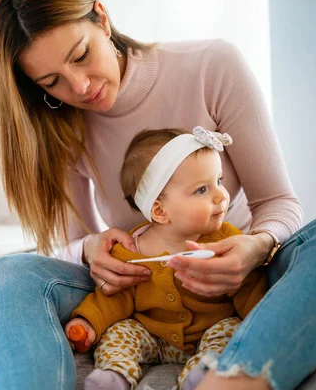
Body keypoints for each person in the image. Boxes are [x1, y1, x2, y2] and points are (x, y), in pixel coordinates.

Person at [0, 0, 316, 389]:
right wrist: (92, 249)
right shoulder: (58, 123)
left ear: (102, 19)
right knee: (11, 274)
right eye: (52, 82)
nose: (80, 86)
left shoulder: (212, 65)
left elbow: (277, 201)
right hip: (139, 285)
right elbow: (71, 245)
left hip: (246, 275)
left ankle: (229, 382)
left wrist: (256, 247)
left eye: (81, 55)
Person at [64, 127, 267, 390]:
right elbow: (114, 297)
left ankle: (203, 376)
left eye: (219, 181)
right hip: (153, 335)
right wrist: (88, 321)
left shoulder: (226, 240)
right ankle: (114, 376)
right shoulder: (132, 249)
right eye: (202, 190)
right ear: (160, 211)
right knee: (120, 333)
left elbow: (250, 289)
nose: (221, 195)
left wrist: (266, 323)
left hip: (210, 330)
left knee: (230, 332)